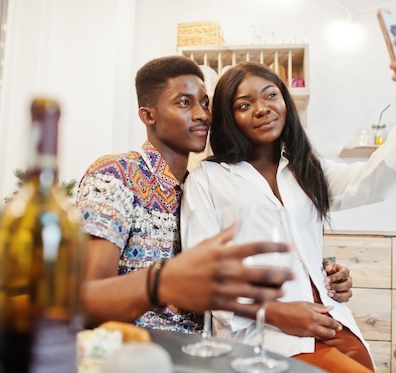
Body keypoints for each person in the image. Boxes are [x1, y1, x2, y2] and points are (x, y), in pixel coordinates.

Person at [180, 40, 396, 373]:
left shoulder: (306, 169)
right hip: (265, 338)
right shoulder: (208, 179)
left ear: (286, 100)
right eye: (244, 105)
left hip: (332, 326)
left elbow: (375, 178)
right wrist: (273, 312)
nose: (262, 109)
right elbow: (200, 276)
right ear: (229, 117)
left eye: (271, 95)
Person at [75, 55, 295, 331]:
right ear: (148, 115)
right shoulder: (116, 174)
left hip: (207, 346)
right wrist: (161, 281)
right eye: (184, 102)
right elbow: (88, 299)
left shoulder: (202, 186)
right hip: (135, 349)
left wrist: (317, 273)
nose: (203, 114)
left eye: (205, 102)